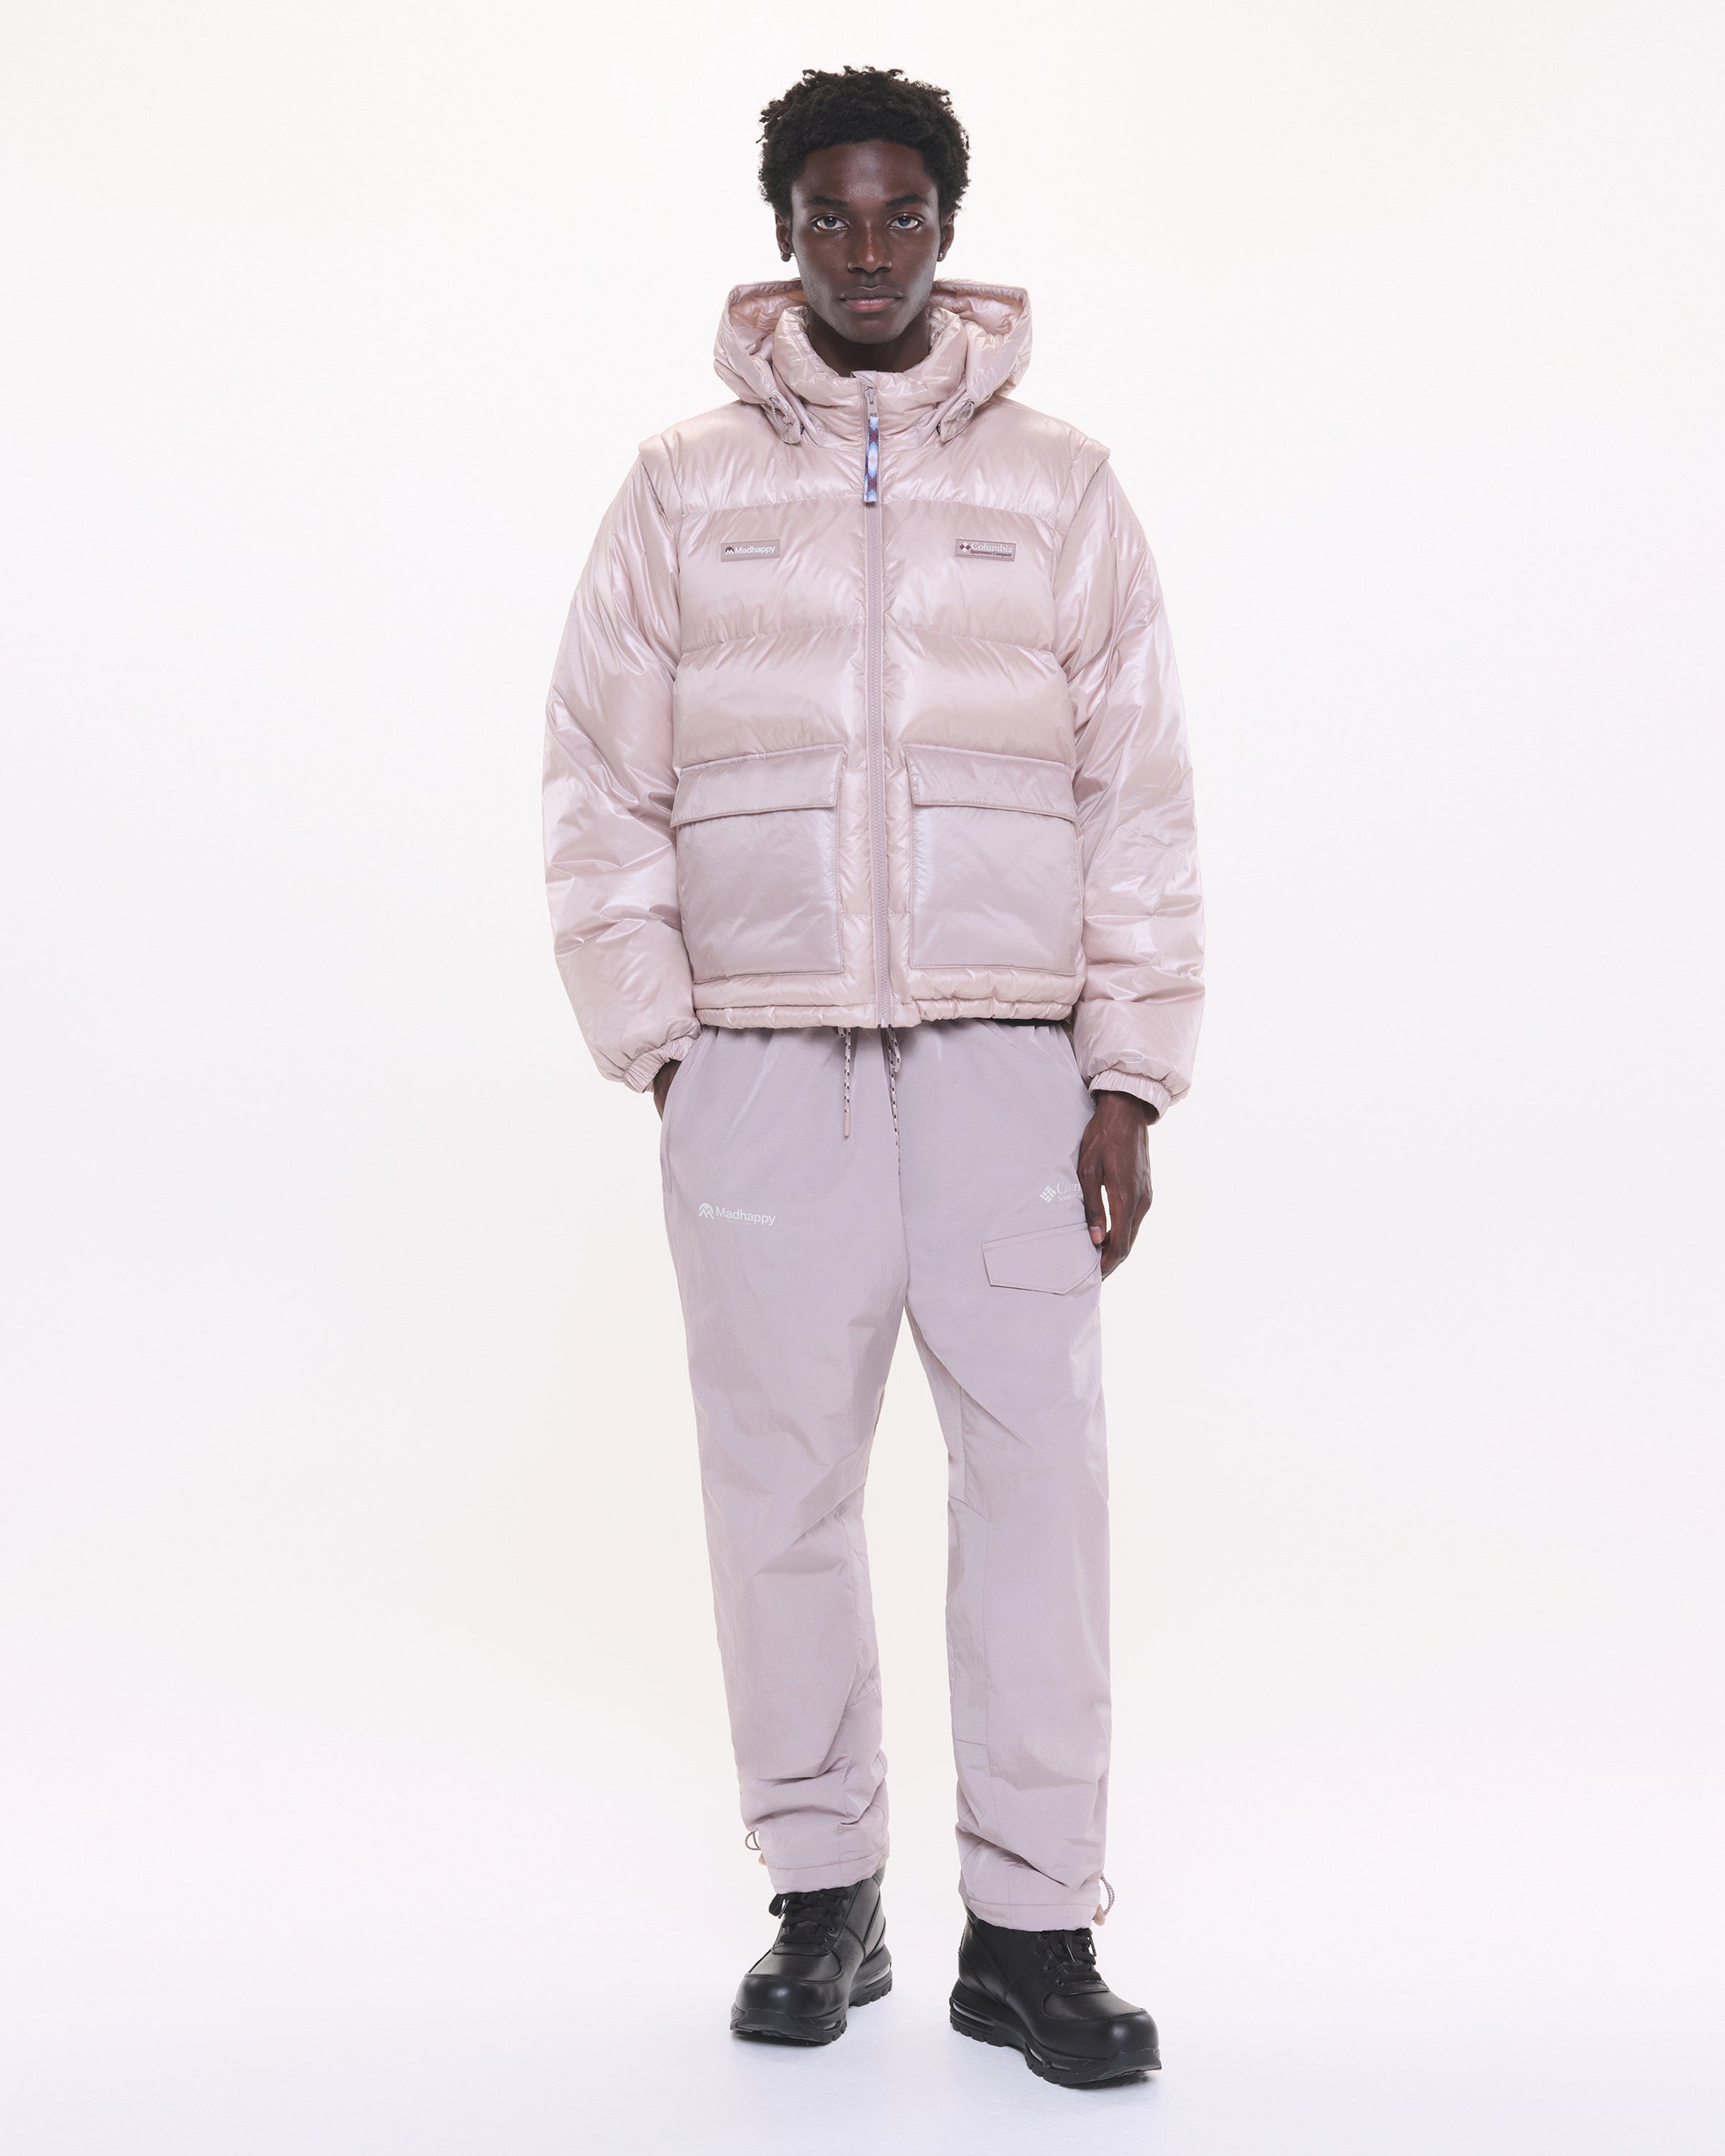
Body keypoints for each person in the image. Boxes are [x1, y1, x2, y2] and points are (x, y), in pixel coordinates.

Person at [543, 65, 1202, 2088]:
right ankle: (822, 1897)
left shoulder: (1064, 487)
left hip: (1012, 1070)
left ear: (947, 228)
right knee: (780, 1494)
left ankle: (1034, 1930)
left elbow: (1140, 792)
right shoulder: (678, 488)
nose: (866, 249)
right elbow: (598, 779)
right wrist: (663, 1041)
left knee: (1038, 1499)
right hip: (763, 1069)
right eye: (829, 214)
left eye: (899, 212)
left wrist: (1129, 1074)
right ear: (784, 231)